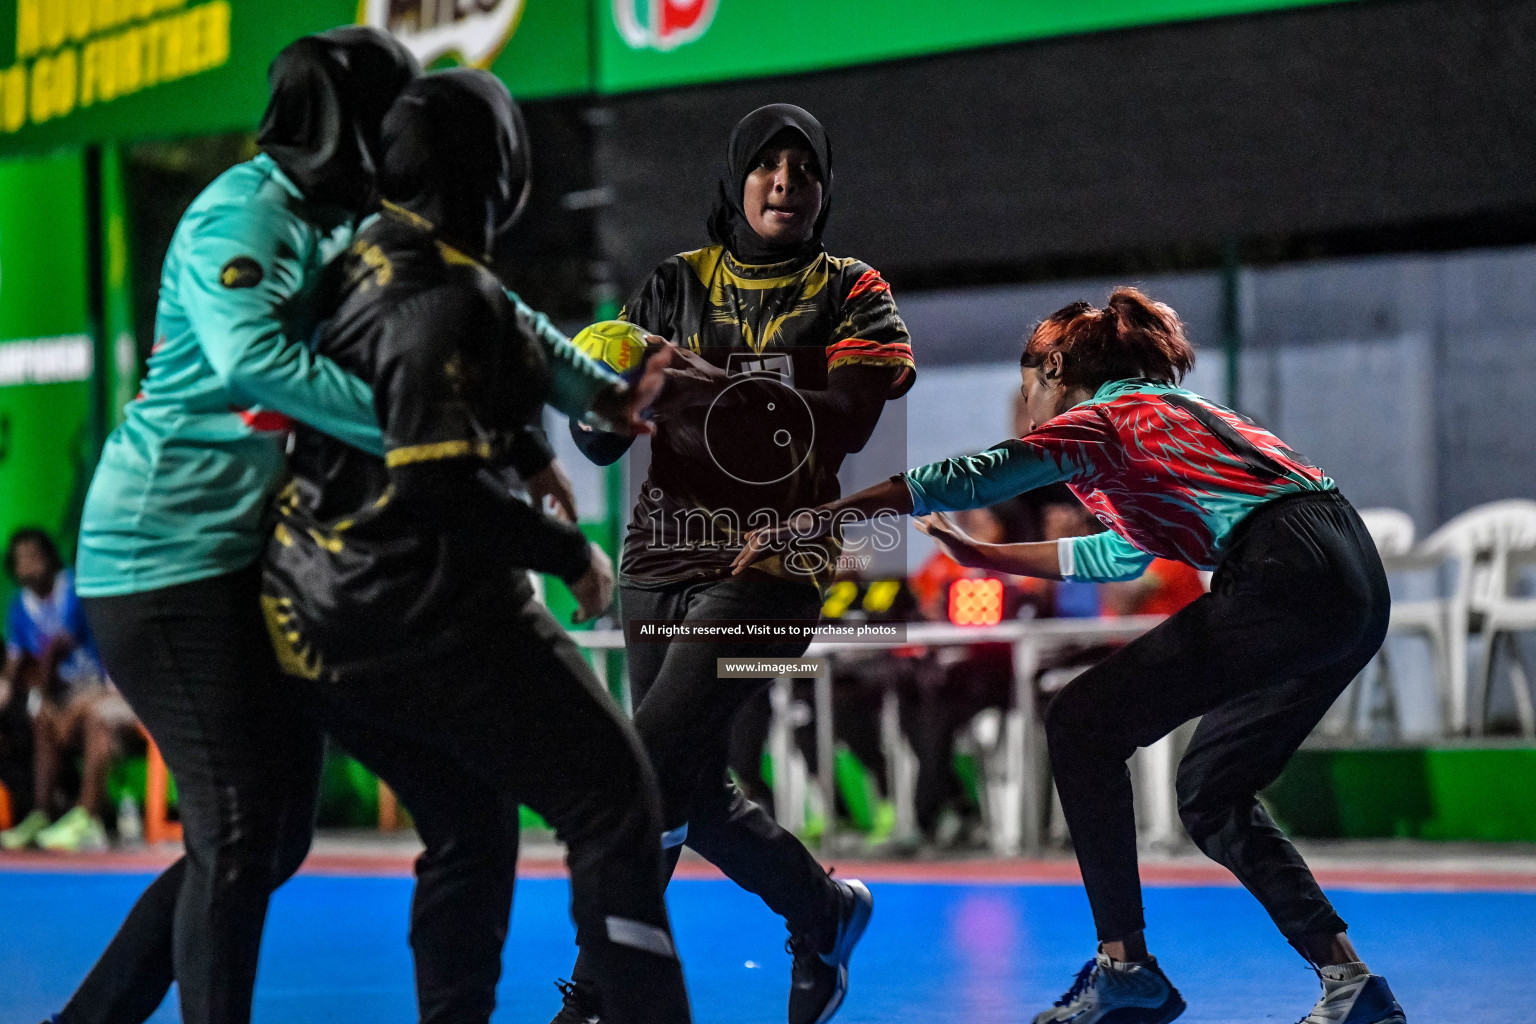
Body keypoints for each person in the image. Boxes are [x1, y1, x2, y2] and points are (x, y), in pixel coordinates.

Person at [738, 288, 1406, 1024]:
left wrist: (824, 515)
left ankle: (1125, 970)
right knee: (1212, 792)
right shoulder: (1168, 421)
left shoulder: (1107, 417)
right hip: (1350, 579)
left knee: (1083, 723)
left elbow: (973, 475)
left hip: (1284, 573)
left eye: (1027, 383)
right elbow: (1115, 554)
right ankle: (1351, 984)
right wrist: (989, 554)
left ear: (1054, 367)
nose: (1023, 403)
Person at [261, 67, 691, 1024]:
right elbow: (436, 483)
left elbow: (486, 351)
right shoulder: (446, 296)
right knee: (615, 800)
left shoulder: (363, 263)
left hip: (313, 620)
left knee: (469, 823)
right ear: (500, 174)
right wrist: (568, 553)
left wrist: (541, 440)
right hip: (415, 607)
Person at [557, 103, 916, 1024]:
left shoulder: (854, 290)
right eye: (768, 165)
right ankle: (824, 911)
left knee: (641, 771)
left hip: (778, 566)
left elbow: (846, 419)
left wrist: (700, 381)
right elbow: (603, 445)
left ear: (825, 188)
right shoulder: (671, 286)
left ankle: (597, 994)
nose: (786, 182)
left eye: (805, 168)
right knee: (692, 790)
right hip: (658, 560)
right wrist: (598, 409)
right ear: (737, 179)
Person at [0, 530, 136, 854]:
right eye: (21, 559)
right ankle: (42, 814)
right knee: (42, 716)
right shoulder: (19, 606)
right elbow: (22, 663)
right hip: (71, 697)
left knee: (94, 717)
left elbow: (60, 650)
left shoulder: (78, 591)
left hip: (114, 694)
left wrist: (65, 707)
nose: (29, 565)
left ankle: (87, 818)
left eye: (35, 555)